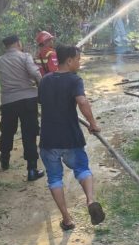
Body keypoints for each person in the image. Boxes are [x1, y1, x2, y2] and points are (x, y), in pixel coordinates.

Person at [38, 45, 104, 230]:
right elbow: (82, 101)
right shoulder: (74, 80)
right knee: (82, 169)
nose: (79, 63)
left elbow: (44, 102)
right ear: (68, 61)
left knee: (54, 178)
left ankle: (67, 219)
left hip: (48, 139)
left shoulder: (45, 80)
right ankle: (90, 200)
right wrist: (92, 123)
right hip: (70, 137)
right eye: (78, 60)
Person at [0, 35, 44, 181]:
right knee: (29, 133)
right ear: (18, 43)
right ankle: (32, 169)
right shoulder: (25, 56)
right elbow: (35, 73)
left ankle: (4, 159)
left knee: (7, 131)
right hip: (27, 100)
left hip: (8, 101)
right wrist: (41, 86)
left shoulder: (0, 60)